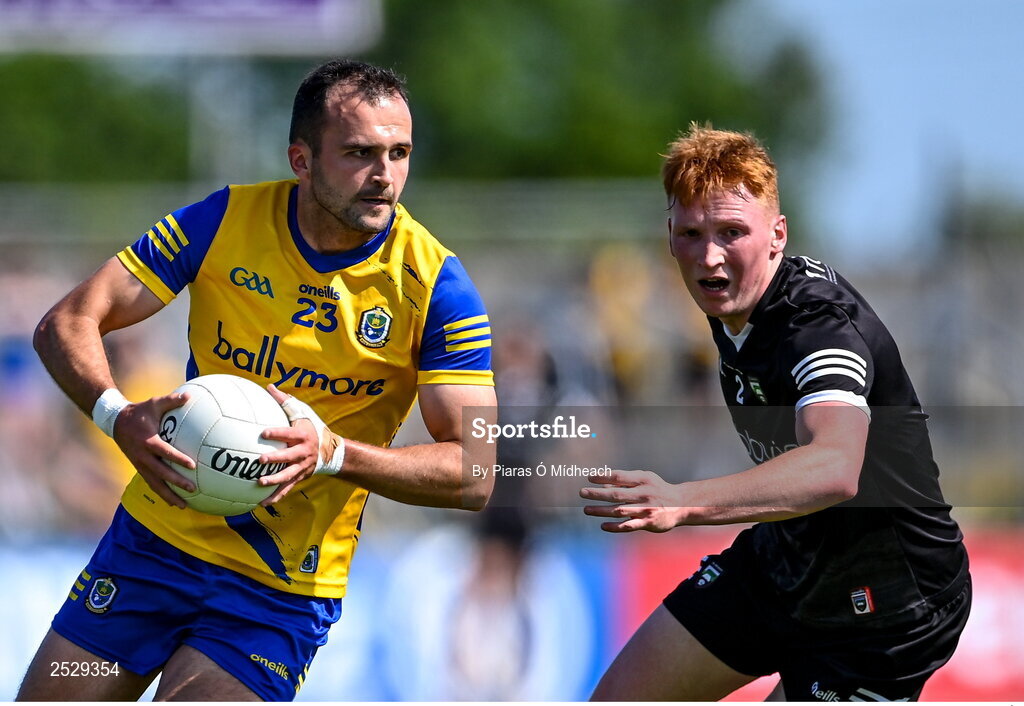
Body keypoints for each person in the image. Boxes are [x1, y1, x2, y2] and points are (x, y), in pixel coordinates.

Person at [19, 59, 496, 702]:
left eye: (399, 152)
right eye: (359, 153)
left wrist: (333, 454)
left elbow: (477, 470)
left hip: (276, 595)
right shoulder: (224, 221)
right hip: (150, 549)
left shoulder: (438, 286)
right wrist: (115, 415)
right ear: (301, 159)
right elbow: (68, 322)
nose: (384, 176)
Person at [581, 124, 970, 702]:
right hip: (784, 565)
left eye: (732, 232)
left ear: (777, 235)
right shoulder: (732, 299)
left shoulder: (817, 326)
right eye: (691, 233)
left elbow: (835, 465)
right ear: (669, 236)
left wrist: (682, 500)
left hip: (886, 610)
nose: (710, 257)